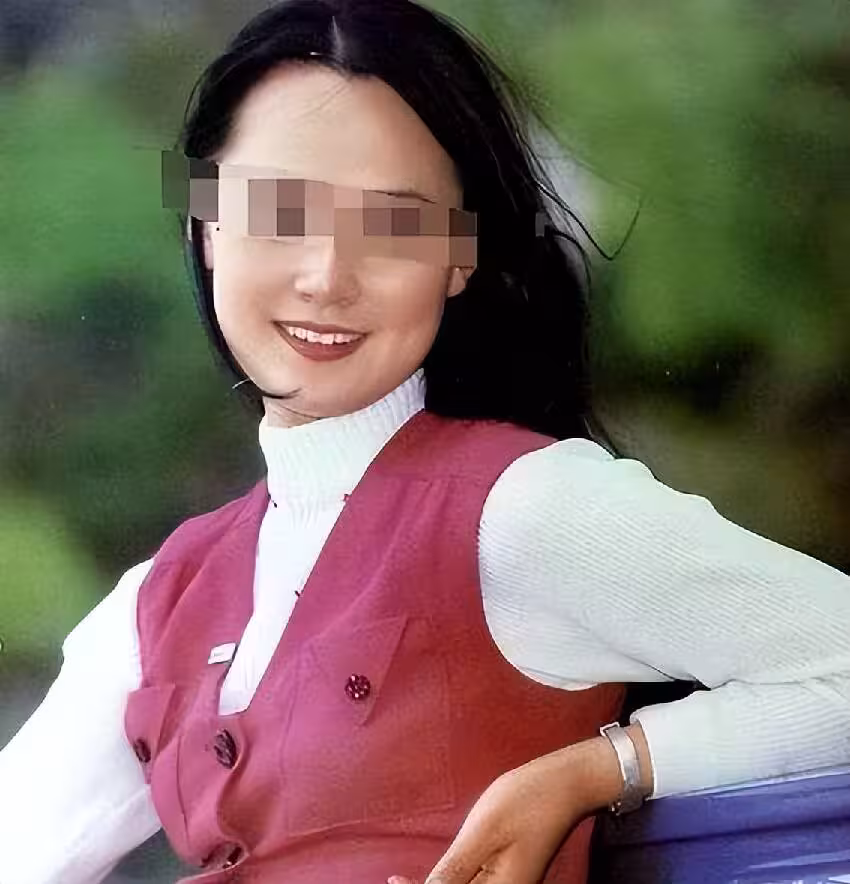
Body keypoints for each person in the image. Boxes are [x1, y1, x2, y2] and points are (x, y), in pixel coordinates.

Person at [1, 1, 849, 882]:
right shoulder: (156, 605)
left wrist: (599, 770)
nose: (327, 276)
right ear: (205, 223)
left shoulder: (524, 509)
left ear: (459, 257)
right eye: (278, 211)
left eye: (392, 224)